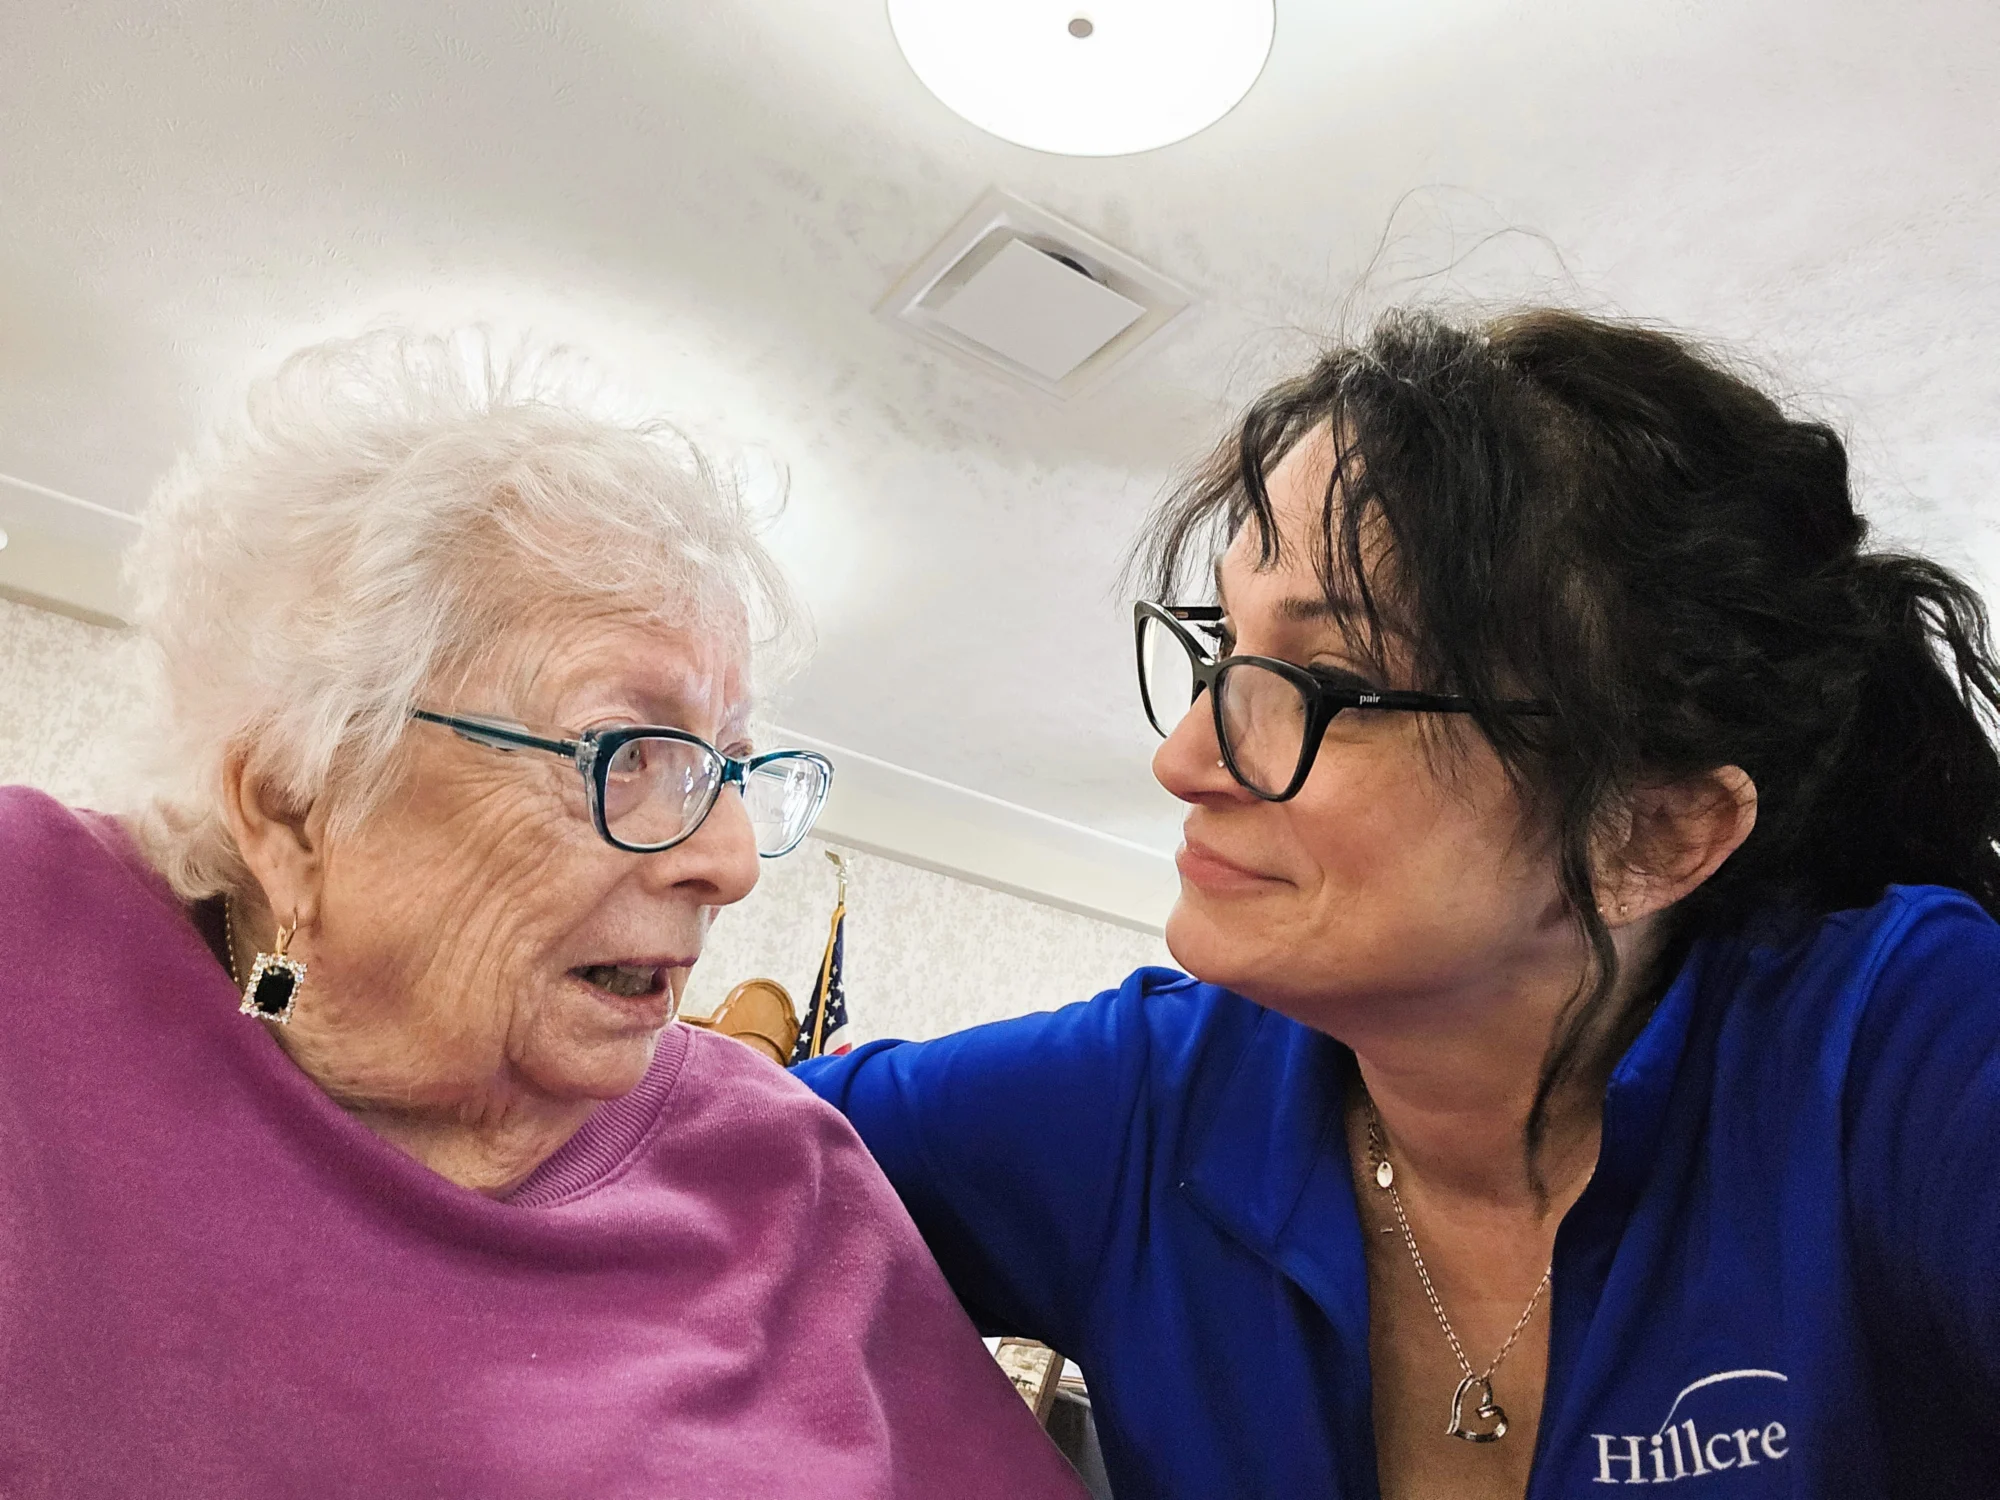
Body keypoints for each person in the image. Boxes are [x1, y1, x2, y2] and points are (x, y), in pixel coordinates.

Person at [798, 308, 2000, 1500]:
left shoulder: (1899, 1049)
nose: (1183, 759)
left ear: (1647, 834)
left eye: (1328, 679)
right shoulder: (1142, 1105)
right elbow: (710, 1149)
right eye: (1221, 650)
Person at [0, 333, 1086, 1500]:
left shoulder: (781, 1166)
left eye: (725, 766)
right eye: (625, 751)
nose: (730, 863)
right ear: (294, 803)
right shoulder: (33, 928)